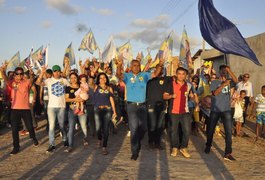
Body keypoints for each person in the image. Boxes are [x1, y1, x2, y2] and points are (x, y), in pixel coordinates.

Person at [116, 55, 164, 160]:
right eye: (134, 65)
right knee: (134, 129)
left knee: (143, 128)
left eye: (138, 65)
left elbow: (156, 73)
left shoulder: (144, 75)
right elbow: (118, 75)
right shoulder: (127, 76)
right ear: (131, 66)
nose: (136, 67)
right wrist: (119, 65)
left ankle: (137, 140)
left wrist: (160, 65)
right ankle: (134, 151)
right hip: (131, 106)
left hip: (142, 106)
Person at [0, 65, 39, 155]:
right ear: (14, 75)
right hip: (15, 109)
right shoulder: (12, 83)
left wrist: (32, 74)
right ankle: (16, 147)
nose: (19, 76)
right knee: (14, 130)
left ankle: (33, 137)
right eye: (17, 74)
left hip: (25, 109)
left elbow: (32, 80)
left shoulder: (26, 82)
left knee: (30, 127)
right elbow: (5, 79)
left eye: (21, 74)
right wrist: (2, 71)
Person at [163, 67, 199, 158]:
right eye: (179, 73)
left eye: (183, 74)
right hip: (173, 111)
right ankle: (175, 147)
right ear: (176, 74)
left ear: (186, 75)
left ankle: (183, 147)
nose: (181, 75)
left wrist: (196, 103)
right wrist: (171, 96)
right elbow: (164, 96)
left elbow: (193, 96)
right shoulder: (170, 84)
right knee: (173, 131)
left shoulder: (189, 85)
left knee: (187, 130)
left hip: (185, 111)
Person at [204, 65, 238, 161]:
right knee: (211, 130)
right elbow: (215, 93)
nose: (224, 72)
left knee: (228, 132)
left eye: (225, 70)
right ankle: (208, 145)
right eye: (222, 70)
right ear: (219, 71)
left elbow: (236, 81)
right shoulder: (215, 82)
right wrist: (223, 85)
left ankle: (228, 153)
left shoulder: (229, 81)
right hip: (215, 110)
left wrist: (229, 71)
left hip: (226, 110)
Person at [36, 65, 69, 153]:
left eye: (58, 71)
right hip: (51, 107)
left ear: (60, 71)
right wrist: (42, 72)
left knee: (62, 125)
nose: (56, 72)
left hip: (61, 106)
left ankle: (65, 140)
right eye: (55, 71)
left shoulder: (64, 80)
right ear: (53, 72)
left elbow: (71, 87)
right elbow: (38, 83)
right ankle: (52, 144)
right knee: (51, 126)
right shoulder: (49, 80)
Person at [146, 65, 171, 150]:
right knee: (152, 125)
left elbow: (177, 78)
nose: (160, 70)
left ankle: (157, 143)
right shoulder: (149, 80)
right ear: (155, 70)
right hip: (151, 105)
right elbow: (143, 73)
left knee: (160, 126)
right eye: (158, 69)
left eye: (161, 69)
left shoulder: (166, 79)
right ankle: (151, 142)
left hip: (162, 106)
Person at [65, 72, 89, 152]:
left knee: (83, 126)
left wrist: (83, 99)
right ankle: (70, 145)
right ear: (69, 79)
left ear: (77, 78)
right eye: (71, 78)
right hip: (72, 110)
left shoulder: (82, 86)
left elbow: (86, 95)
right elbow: (66, 99)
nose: (73, 79)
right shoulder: (68, 88)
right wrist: (75, 99)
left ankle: (85, 139)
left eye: (75, 77)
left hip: (82, 109)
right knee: (71, 128)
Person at [94, 72, 117, 155]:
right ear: (98, 79)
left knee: (106, 128)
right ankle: (99, 139)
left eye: (104, 77)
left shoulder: (109, 88)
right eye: (100, 78)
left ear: (106, 79)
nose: (102, 79)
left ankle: (104, 147)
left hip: (107, 110)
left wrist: (114, 111)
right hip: (97, 110)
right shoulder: (96, 86)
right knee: (98, 128)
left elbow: (111, 100)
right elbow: (89, 82)